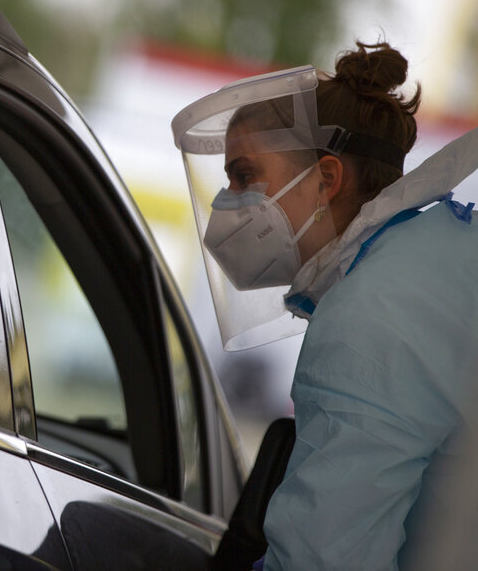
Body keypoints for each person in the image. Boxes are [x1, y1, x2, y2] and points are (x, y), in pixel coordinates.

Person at [172, 41, 478, 570]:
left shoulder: (371, 315)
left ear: (326, 181)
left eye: (244, 176)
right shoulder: (427, 264)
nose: (226, 203)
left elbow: (323, 557)